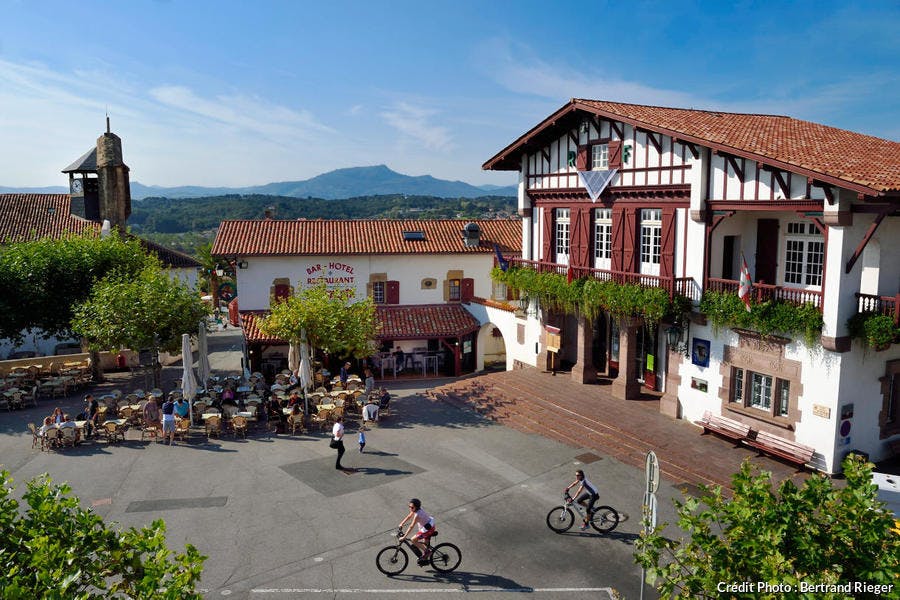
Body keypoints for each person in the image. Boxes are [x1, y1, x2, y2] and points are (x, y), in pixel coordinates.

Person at [399, 498, 435, 565]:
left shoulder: (417, 515)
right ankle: (425, 559)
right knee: (424, 545)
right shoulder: (416, 509)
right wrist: (401, 523)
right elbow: (409, 516)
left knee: (413, 540)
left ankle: (428, 552)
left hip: (428, 529)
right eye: (409, 506)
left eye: (412, 507)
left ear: (416, 507)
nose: (410, 508)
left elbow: (411, 526)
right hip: (428, 525)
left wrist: (404, 537)